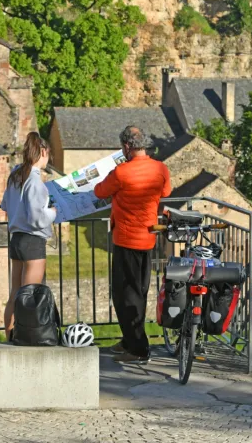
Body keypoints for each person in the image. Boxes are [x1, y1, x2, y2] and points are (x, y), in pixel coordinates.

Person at [94, 126, 171, 364]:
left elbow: (99, 191)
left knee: (125, 295)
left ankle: (138, 348)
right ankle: (129, 341)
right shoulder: (160, 168)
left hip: (126, 240)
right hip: (148, 239)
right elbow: (166, 191)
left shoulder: (121, 172)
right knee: (138, 291)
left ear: (127, 146)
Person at [1, 132, 57, 341]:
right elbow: (36, 219)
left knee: (16, 293)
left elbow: (5, 205)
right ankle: (26, 338)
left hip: (16, 238)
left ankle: (10, 337)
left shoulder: (15, 174)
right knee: (30, 295)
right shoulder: (34, 182)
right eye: (47, 155)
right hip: (33, 241)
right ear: (42, 152)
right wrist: (53, 212)